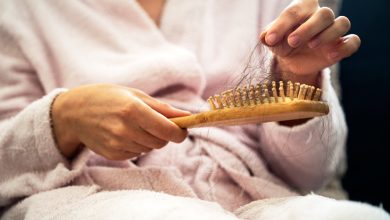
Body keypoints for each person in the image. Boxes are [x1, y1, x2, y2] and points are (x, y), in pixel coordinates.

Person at [0, 0, 388, 219]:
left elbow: (310, 176)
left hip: (261, 198)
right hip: (87, 198)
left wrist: (297, 81)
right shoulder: (18, 11)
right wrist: (63, 119)